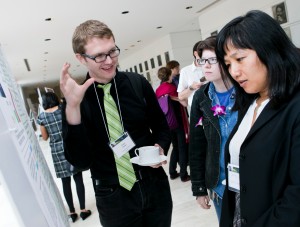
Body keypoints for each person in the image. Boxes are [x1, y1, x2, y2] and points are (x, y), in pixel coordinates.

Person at [60, 20, 172, 227]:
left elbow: (162, 127)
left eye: (112, 51)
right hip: (113, 196)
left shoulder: (137, 83)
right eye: (99, 55)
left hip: (154, 185)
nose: (109, 61)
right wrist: (73, 107)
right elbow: (80, 161)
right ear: (81, 58)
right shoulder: (76, 100)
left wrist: (160, 146)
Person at [215, 10, 300, 226]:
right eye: (228, 64)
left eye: (240, 59)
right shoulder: (251, 102)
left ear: (269, 49)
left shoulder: (294, 106)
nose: (234, 72)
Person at [189, 36, 237, 222]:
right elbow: (197, 145)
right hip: (219, 186)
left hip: (250, 183)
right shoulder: (201, 98)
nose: (206, 65)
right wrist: (199, 188)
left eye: (212, 60)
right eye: (202, 60)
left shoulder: (246, 92)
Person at [37, 92, 91, 223]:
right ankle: (83, 211)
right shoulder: (64, 110)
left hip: (57, 152)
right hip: (71, 147)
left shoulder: (42, 117)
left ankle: (72, 213)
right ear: (55, 99)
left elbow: (44, 137)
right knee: (78, 178)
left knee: (65, 182)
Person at [155, 67, 190, 182]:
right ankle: (184, 174)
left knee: (175, 147)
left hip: (167, 123)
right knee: (182, 147)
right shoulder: (172, 88)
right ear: (169, 75)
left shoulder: (158, 90)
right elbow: (183, 102)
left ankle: (172, 172)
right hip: (178, 122)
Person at [177, 41, 204, 115]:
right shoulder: (185, 71)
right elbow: (180, 97)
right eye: (202, 52)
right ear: (195, 53)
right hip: (198, 113)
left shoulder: (212, 67)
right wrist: (191, 88)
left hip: (217, 109)